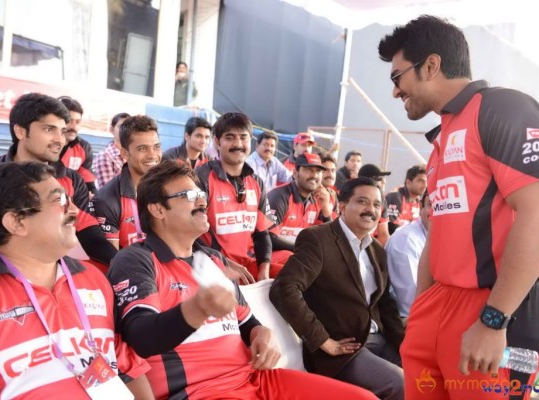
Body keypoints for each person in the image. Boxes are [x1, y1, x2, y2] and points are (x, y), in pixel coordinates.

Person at [378, 15, 539, 399]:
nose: (394, 91)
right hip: (438, 306)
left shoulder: (503, 108)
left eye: (397, 78)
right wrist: (424, 311)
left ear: (431, 65)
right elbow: (439, 234)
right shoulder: (443, 136)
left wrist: (494, 321)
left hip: (494, 307)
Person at [107, 160, 376, 400]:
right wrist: (198, 308)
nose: (202, 201)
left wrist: (262, 333)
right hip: (200, 391)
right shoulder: (136, 260)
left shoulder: (213, 259)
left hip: (256, 379)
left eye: (201, 193)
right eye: (189, 195)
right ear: (157, 209)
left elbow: (248, 324)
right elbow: (141, 338)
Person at [0, 162, 152, 399]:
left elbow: (130, 370)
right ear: (16, 222)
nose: (75, 212)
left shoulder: (93, 279)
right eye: (60, 201)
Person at [270, 177, 405, 399]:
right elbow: (284, 288)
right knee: (401, 384)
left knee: (425, 377)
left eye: (376, 204)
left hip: (379, 339)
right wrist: (323, 340)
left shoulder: (377, 250)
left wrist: (405, 345)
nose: (371, 210)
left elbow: (385, 304)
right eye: (362, 202)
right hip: (343, 351)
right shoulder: (318, 239)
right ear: (342, 207)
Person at [0, 93, 117, 268]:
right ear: (20, 131)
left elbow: (91, 237)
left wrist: (127, 267)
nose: (59, 140)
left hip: (51, 277)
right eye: (49, 129)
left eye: (62, 131)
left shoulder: (72, 180)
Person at [196, 112, 291, 281]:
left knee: (297, 274)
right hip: (209, 267)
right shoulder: (200, 178)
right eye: (230, 138)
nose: (238, 144)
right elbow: (189, 235)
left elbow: (262, 234)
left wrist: (264, 269)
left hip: (245, 265)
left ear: (250, 142)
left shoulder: (256, 182)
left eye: (243, 138)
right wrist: (221, 263)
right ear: (217, 142)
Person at [92, 115, 162, 250]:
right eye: (142, 148)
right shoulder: (107, 200)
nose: (152, 155)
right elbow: (112, 260)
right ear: (125, 154)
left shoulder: (168, 188)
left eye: (156, 147)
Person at [267, 153, 332, 245]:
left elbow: (328, 239)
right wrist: (301, 251)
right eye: (309, 170)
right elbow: (269, 238)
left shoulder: (319, 199)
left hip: (298, 255)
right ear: (295, 173)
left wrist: (326, 209)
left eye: (318, 171)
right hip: (274, 255)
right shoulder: (279, 196)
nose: (314, 175)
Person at [385, 191, 430, 318]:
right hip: (410, 321)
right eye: (432, 204)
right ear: (421, 208)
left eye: (444, 205)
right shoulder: (406, 239)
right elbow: (411, 305)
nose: (438, 210)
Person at [58, 96, 97, 195]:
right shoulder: (43, 145)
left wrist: (93, 199)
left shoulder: (84, 148)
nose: (74, 127)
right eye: (69, 121)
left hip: (71, 200)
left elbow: (88, 183)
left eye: (78, 122)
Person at [385, 164, 427, 235]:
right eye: (420, 181)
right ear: (408, 182)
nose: (425, 185)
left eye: (426, 182)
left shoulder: (419, 201)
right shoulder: (394, 197)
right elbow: (392, 227)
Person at [93, 112, 130, 188]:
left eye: (128, 126)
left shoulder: (134, 155)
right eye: (121, 126)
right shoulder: (105, 156)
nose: (125, 130)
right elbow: (107, 191)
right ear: (111, 129)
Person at [358, 164, 392, 246]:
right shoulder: (351, 198)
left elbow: (383, 234)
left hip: (372, 246)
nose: (384, 182)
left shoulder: (382, 200)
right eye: (380, 178)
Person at [320, 153, 339, 218]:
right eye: (325, 170)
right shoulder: (307, 193)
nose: (330, 175)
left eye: (333, 170)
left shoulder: (333, 194)